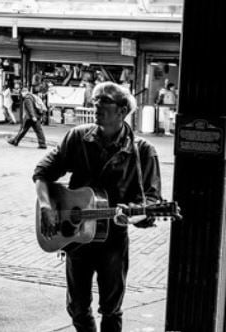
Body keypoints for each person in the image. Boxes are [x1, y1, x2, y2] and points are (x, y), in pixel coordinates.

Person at [33, 82, 162, 332]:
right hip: (76, 238)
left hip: (112, 241)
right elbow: (42, 172)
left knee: (111, 310)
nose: (96, 105)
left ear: (122, 110)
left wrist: (132, 216)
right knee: (77, 308)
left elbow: (151, 203)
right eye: (95, 100)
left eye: (104, 100)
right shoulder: (78, 137)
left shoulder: (143, 151)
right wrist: (47, 206)